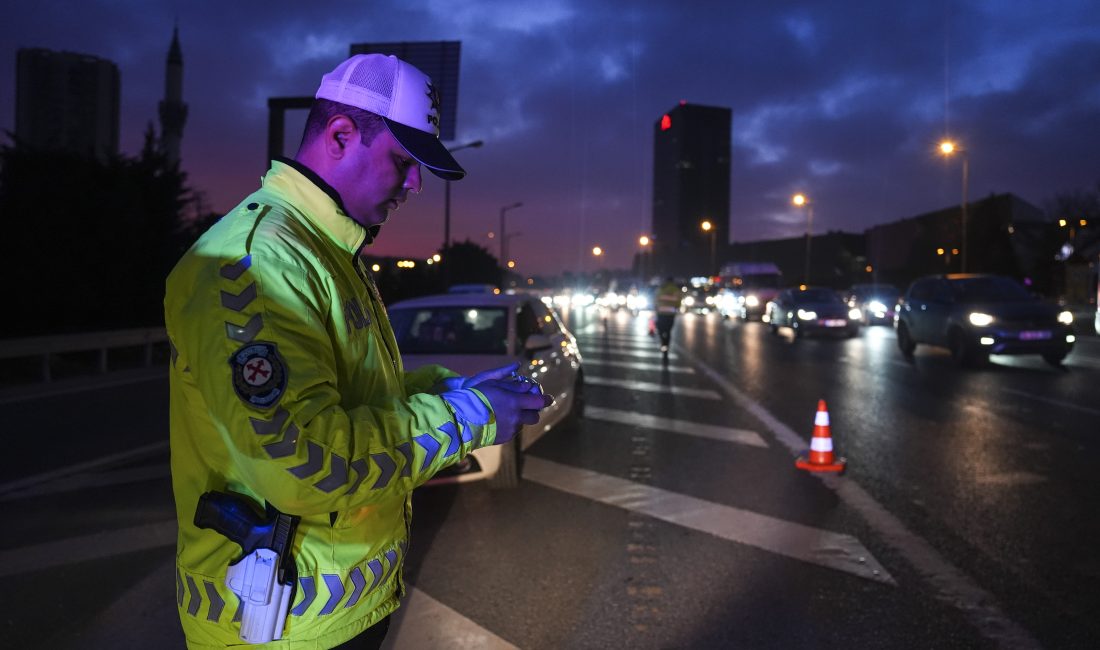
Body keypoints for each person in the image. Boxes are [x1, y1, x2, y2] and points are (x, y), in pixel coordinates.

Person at [165, 53, 552, 649]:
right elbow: (305, 462)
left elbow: (358, 397)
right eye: (403, 160)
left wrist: (455, 389)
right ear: (341, 135)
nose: (415, 184)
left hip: (325, 612)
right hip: (279, 627)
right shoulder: (258, 263)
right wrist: (471, 417)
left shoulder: (326, 250)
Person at [655, 277, 682, 357]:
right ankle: (665, 346)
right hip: (671, 314)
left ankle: (663, 343)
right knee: (668, 331)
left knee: (661, 329)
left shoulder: (661, 289)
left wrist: (656, 308)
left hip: (661, 313)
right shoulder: (676, 290)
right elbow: (678, 303)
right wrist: (675, 308)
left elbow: (656, 300)